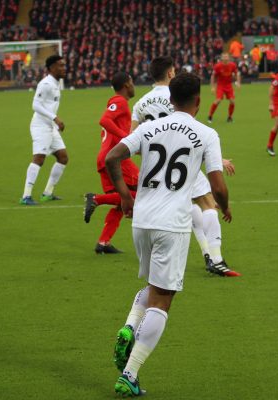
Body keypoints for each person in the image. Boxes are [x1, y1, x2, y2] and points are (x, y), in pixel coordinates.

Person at [105, 72, 232, 397]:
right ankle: (129, 374)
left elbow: (112, 157)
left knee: (152, 286)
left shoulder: (148, 127)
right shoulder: (206, 133)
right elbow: (217, 184)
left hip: (141, 221)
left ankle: (130, 326)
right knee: (163, 300)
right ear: (198, 100)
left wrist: (124, 195)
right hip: (171, 224)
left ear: (170, 98)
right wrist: (225, 206)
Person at [129, 56, 239, 277]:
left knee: (190, 206)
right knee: (208, 203)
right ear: (170, 73)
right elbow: (187, 132)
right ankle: (216, 258)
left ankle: (207, 253)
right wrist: (215, 158)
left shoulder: (140, 103)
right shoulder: (175, 99)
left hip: (154, 168)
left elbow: (134, 140)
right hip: (183, 164)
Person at [84, 72, 137, 254]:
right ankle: (96, 199)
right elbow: (104, 120)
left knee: (122, 201)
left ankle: (103, 243)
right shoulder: (120, 102)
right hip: (115, 158)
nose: (133, 85)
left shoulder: (118, 103)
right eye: (131, 82)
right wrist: (126, 138)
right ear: (126, 85)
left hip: (107, 156)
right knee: (141, 191)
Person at [19, 55, 68, 205]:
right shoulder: (46, 84)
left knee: (63, 157)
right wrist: (55, 118)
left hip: (50, 127)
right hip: (41, 126)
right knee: (39, 159)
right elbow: (35, 105)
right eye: (60, 66)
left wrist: (54, 122)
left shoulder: (55, 84)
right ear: (52, 68)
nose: (63, 68)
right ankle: (26, 196)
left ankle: (47, 193)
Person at [207, 53, 241, 123]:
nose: (225, 58)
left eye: (226, 56)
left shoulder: (232, 65)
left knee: (232, 101)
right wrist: (213, 87)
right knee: (218, 100)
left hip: (229, 85)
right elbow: (213, 76)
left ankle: (230, 117)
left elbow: (237, 74)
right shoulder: (218, 66)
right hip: (221, 85)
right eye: (224, 57)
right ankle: (210, 116)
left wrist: (238, 83)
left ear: (229, 58)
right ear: (222, 58)